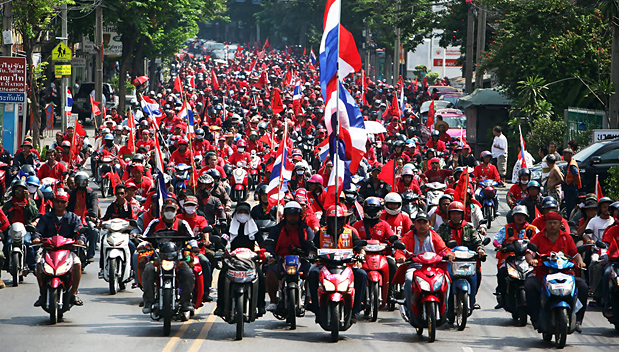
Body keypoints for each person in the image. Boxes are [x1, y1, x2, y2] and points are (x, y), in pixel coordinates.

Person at [525, 211, 588, 332]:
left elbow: (575, 253)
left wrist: (580, 261)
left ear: (560, 224)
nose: (552, 225)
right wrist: (531, 260)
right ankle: (535, 318)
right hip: (542, 274)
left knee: (583, 287)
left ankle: (578, 320)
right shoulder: (538, 237)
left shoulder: (566, 237)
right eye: (550, 223)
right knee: (529, 286)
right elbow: (529, 252)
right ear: (545, 224)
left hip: (566, 275)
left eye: (555, 223)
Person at [307, 205, 367, 319]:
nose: (335, 222)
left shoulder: (350, 232)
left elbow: (360, 248)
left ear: (343, 220)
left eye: (338, 219)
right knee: (313, 274)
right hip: (325, 266)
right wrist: (311, 255)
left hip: (346, 266)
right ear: (327, 220)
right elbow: (312, 248)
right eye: (332, 219)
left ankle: (356, 309)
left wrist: (361, 256)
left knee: (362, 275)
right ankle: (316, 308)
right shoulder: (321, 232)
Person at [141, 199, 196, 316]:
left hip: (178, 259)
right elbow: (144, 237)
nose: (169, 212)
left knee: (188, 273)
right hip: (158, 258)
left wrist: (194, 246)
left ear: (176, 211)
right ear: (162, 211)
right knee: (148, 270)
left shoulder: (182, 224)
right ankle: (148, 302)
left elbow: (191, 239)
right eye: (167, 210)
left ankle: (186, 302)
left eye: (172, 210)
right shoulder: (155, 223)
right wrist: (141, 244)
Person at [32, 189, 85, 307]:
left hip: (68, 251)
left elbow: (80, 232)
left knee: (77, 264)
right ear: (53, 202)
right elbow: (38, 232)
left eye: (62, 202)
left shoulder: (73, 218)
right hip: (49, 250)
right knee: (39, 264)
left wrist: (81, 240)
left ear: (67, 203)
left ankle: (74, 293)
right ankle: (42, 294)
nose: (59, 204)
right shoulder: (46, 218)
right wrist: (36, 238)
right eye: (57, 201)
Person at [395, 212, 454, 316]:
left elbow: (443, 249)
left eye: (424, 222)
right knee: (409, 280)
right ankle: (410, 308)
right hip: (414, 267)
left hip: (434, 267)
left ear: (429, 224)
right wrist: (400, 257)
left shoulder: (435, 236)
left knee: (447, 282)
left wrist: (449, 254)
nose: (422, 225)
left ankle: (445, 310)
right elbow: (400, 250)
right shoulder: (408, 236)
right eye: (419, 223)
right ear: (415, 224)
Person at [214, 202, 266, 316]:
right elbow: (224, 240)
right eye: (240, 212)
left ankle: (260, 305)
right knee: (222, 276)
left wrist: (264, 251)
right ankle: (220, 305)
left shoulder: (254, 227)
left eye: (245, 212)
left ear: (249, 214)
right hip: (234, 259)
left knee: (261, 276)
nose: (242, 215)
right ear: (235, 214)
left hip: (250, 259)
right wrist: (220, 249)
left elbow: (261, 241)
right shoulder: (230, 227)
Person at [264, 201, 315, 311]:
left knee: (312, 273)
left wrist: (311, 253)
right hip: (281, 260)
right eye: (290, 215)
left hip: (301, 259)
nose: (292, 217)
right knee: (270, 272)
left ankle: (309, 299)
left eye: (295, 215)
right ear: (285, 215)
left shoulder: (306, 229)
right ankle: (273, 301)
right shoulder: (277, 229)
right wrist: (270, 255)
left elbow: (312, 244)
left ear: (299, 215)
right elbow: (270, 244)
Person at [437, 201, 485, 308]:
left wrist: (480, 250)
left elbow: (477, 241)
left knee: (477, 273)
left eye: (458, 213)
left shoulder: (469, 228)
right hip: (449, 261)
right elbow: (438, 242)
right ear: (449, 214)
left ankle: (472, 297)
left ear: (462, 215)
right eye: (453, 213)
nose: (455, 216)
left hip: (467, 261)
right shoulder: (443, 228)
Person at [492, 205, 538, 308]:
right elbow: (496, 240)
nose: (519, 217)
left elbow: (540, 241)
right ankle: (501, 295)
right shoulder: (506, 228)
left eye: (522, 215)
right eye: (517, 215)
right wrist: (499, 246)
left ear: (526, 217)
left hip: (527, 259)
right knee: (502, 272)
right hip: (509, 259)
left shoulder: (533, 229)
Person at [177, 195, 213, 303]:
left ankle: (205, 292)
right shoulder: (178, 219)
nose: (189, 207)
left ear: (196, 207)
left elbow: (205, 231)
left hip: (196, 251)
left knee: (205, 262)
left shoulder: (201, 219)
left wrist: (206, 240)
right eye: (187, 205)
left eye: (192, 205)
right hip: (180, 250)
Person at [67, 173, 99, 263]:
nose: (81, 184)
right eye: (79, 181)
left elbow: (94, 205)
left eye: (83, 182)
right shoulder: (71, 194)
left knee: (94, 231)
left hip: (86, 219)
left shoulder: (91, 193)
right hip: (72, 219)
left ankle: (90, 254)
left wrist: (94, 216)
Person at [563, 148, 581, 217]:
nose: (564, 156)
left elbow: (575, 174)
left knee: (571, 205)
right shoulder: (569, 163)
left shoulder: (572, 164)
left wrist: (573, 182)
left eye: (565, 154)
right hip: (569, 188)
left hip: (571, 188)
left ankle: (571, 218)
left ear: (570, 155)